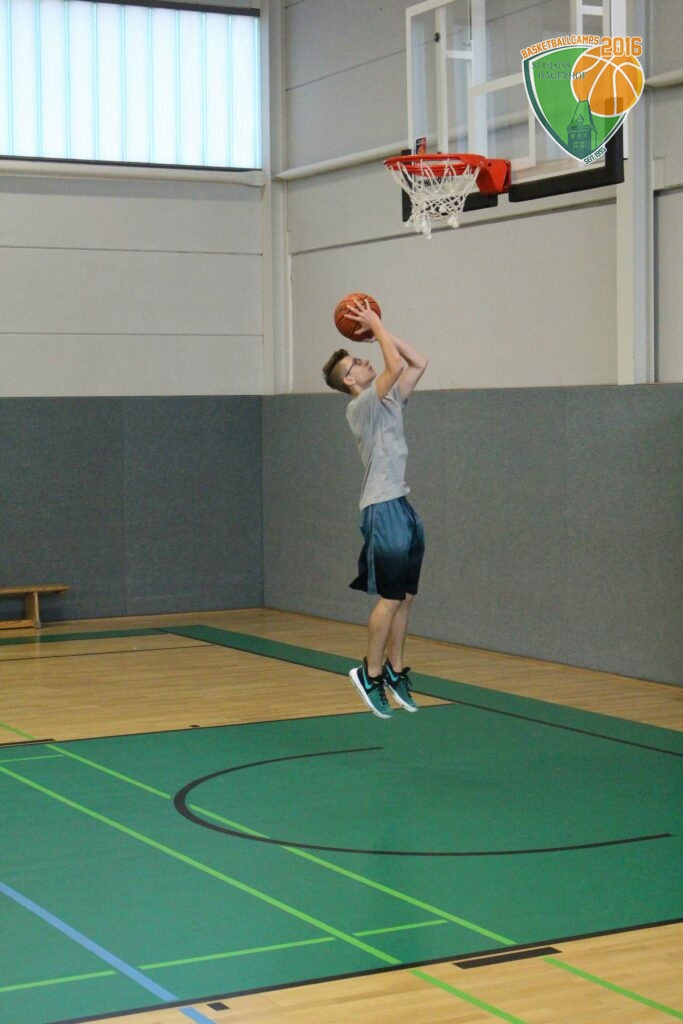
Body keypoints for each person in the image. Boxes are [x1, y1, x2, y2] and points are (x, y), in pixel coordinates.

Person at [322, 300, 428, 719]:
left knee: (406, 596)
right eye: (356, 362)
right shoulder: (361, 405)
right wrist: (376, 327)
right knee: (389, 598)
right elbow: (394, 366)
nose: (364, 360)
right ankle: (370, 673)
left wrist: (377, 333)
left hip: (400, 503)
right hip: (381, 509)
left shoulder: (388, 401)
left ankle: (396, 671)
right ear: (349, 380)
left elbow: (417, 362)